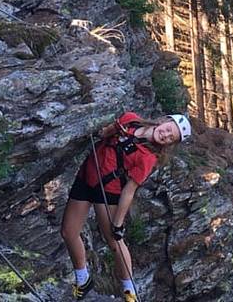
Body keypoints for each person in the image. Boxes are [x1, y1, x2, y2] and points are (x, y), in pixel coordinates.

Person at [60, 112, 192, 301]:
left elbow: (129, 191)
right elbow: (103, 133)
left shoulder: (148, 158)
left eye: (171, 138)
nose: (165, 135)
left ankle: (129, 292)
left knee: (114, 241)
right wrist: (107, 130)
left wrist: (118, 224)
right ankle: (83, 279)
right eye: (169, 130)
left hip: (108, 192)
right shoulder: (129, 119)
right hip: (86, 177)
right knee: (68, 232)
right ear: (165, 120)